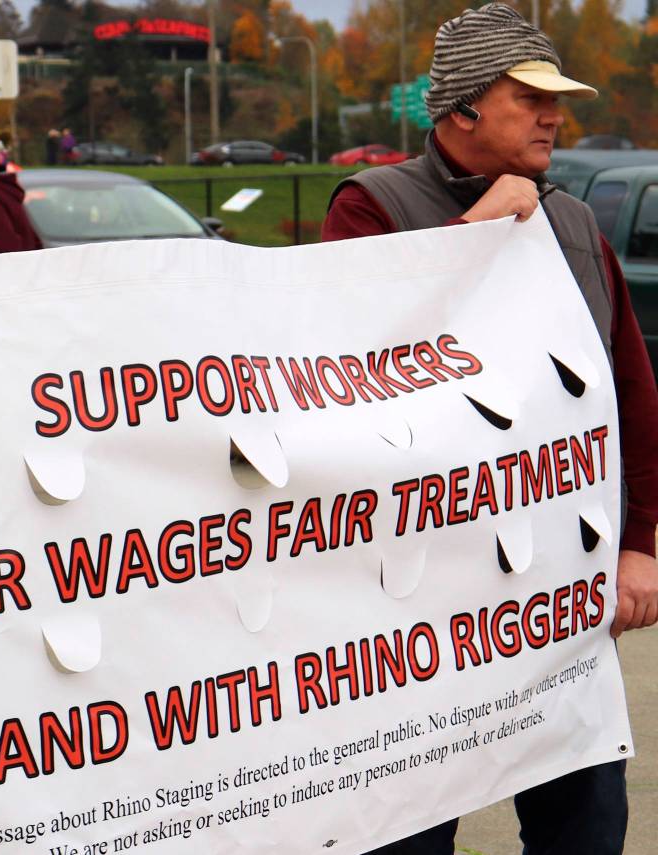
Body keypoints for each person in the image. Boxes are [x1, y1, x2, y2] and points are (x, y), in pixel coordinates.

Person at [322, 5, 658, 853]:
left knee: (587, 825)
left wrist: (640, 542)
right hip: (414, 615)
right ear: (463, 107)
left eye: (559, 98)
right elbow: (344, 377)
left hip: (557, 602)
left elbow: (632, 398)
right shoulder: (370, 207)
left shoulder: (575, 225)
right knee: (407, 834)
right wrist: (470, 236)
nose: (555, 115)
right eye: (529, 97)